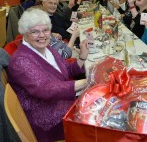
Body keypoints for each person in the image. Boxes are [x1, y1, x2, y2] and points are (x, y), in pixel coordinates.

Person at [7, 8, 89, 142]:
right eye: (34, 32)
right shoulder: (21, 60)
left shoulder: (46, 48)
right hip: (46, 118)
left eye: (45, 30)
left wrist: (82, 57)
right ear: (24, 34)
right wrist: (88, 81)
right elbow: (45, 89)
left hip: (60, 103)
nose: (42, 35)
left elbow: (67, 69)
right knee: (99, 115)